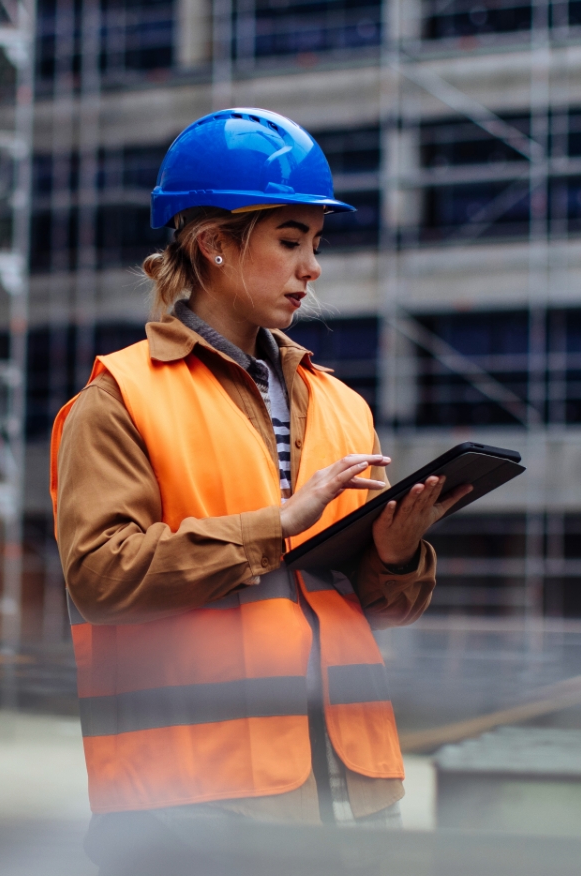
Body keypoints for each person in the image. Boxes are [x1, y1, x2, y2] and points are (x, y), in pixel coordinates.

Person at [48, 108, 470, 875]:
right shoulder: (120, 399)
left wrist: (397, 558)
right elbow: (102, 578)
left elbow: (373, 611)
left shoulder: (343, 406)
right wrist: (276, 524)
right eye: (288, 241)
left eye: (316, 243)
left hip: (354, 791)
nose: (312, 268)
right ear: (213, 244)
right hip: (193, 801)